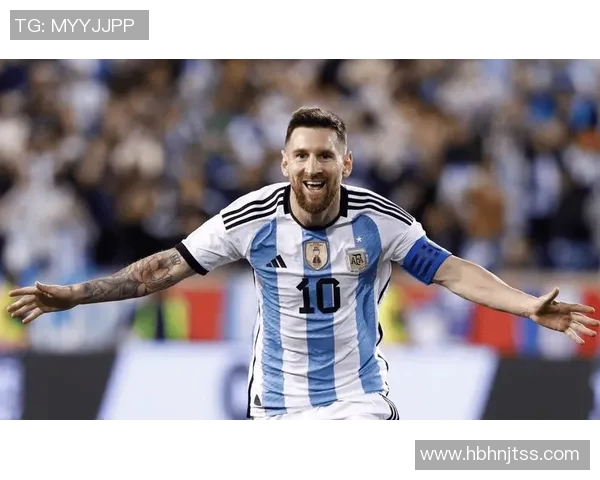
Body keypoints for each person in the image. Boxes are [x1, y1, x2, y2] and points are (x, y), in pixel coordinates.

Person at [6, 107, 599, 420]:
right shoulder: (251, 217)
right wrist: (76, 295)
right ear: (285, 162)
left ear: (346, 164)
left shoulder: (380, 220)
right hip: (277, 406)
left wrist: (526, 305)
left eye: (325, 156)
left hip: (358, 400)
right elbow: (162, 269)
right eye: (302, 156)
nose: (313, 167)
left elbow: (453, 272)